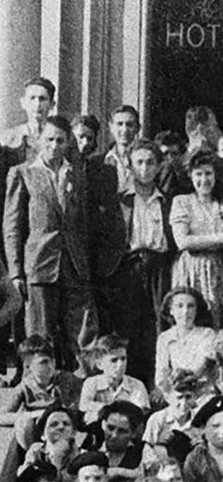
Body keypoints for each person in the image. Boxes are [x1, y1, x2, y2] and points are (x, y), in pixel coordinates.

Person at [3, 114, 97, 369]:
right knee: (40, 336)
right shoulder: (23, 173)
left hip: (74, 265)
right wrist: (16, 272)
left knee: (82, 334)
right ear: (39, 140)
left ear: (68, 143)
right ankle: (39, 386)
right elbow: (12, 228)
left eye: (60, 140)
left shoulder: (76, 175)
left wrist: (84, 262)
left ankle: (82, 384)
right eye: (49, 139)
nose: (54, 146)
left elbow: (84, 224)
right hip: (40, 265)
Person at [111, 139, 174, 386]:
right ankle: (130, 384)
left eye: (150, 163)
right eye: (139, 163)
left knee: (158, 323)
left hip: (159, 266)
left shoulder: (166, 200)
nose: (145, 168)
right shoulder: (121, 200)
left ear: (158, 166)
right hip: (130, 267)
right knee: (128, 325)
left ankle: (156, 384)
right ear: (130, 166)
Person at [170, 150, 223, 328]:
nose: (204, 179)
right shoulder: (182, 202)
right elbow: (182, 241)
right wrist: (221, 238)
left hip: (217, 269)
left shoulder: (222, 204)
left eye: (208, 173)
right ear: (190, 176)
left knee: (217, 320)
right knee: (190, 318)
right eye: (198, 174)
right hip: (191, 268)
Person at [0, 335, 81, 450]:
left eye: (52, 360)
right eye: (43, 363)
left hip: (65, 434)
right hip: (37, 439)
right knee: (23, 423)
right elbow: (2, 416)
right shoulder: (26, 386)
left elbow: (79, 410)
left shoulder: (67, 380)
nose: (51, 366)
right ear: (28, 366)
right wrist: (36, 414)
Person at [154, 286, 217, 400]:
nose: (185, 311)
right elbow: (161, 373)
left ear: (197, 310)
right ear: (171, 310)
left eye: (191, 306)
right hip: (175, 395)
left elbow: (203, 366)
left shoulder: (207, 334)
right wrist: (171, 395)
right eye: (179, 306)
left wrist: (188, 378)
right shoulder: (165, 338)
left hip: (204, 394)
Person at [79, 334, 150, 426]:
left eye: (123, 359)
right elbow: (83, 405)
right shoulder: (92, 383)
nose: (120, 365)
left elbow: (138, 411)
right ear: (100, 364)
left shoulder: (137, 385)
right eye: (114, 360)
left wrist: (106, 410)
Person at [142, 369, 202, 468]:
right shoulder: (157, 419)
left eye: (188, 397)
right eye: (179, 398)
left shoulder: (200, 420)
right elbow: (146, 457)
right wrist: (158, 444)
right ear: (168, 397)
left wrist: (202, 446)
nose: (184, 403)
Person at [23, 407, 80, 482]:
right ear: (43, 435)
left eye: (66, 424)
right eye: (54, 424)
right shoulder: (36, 450)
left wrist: (57, 460)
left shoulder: (77, 456)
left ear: (73, 433)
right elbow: (25, 480)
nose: (61, 427)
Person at [0, 77, 56, 162]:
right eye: (32, 98)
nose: (37, 104)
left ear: (52, 104)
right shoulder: (8, 137)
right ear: (23, 103)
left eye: (42, 99)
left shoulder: (61, 137)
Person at [100, 105, 140, 193]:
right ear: (111, 127)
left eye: (129, 125)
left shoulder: (147, 161)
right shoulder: (97, 163)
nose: (124, 129)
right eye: (119, 124)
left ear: (137, 128)